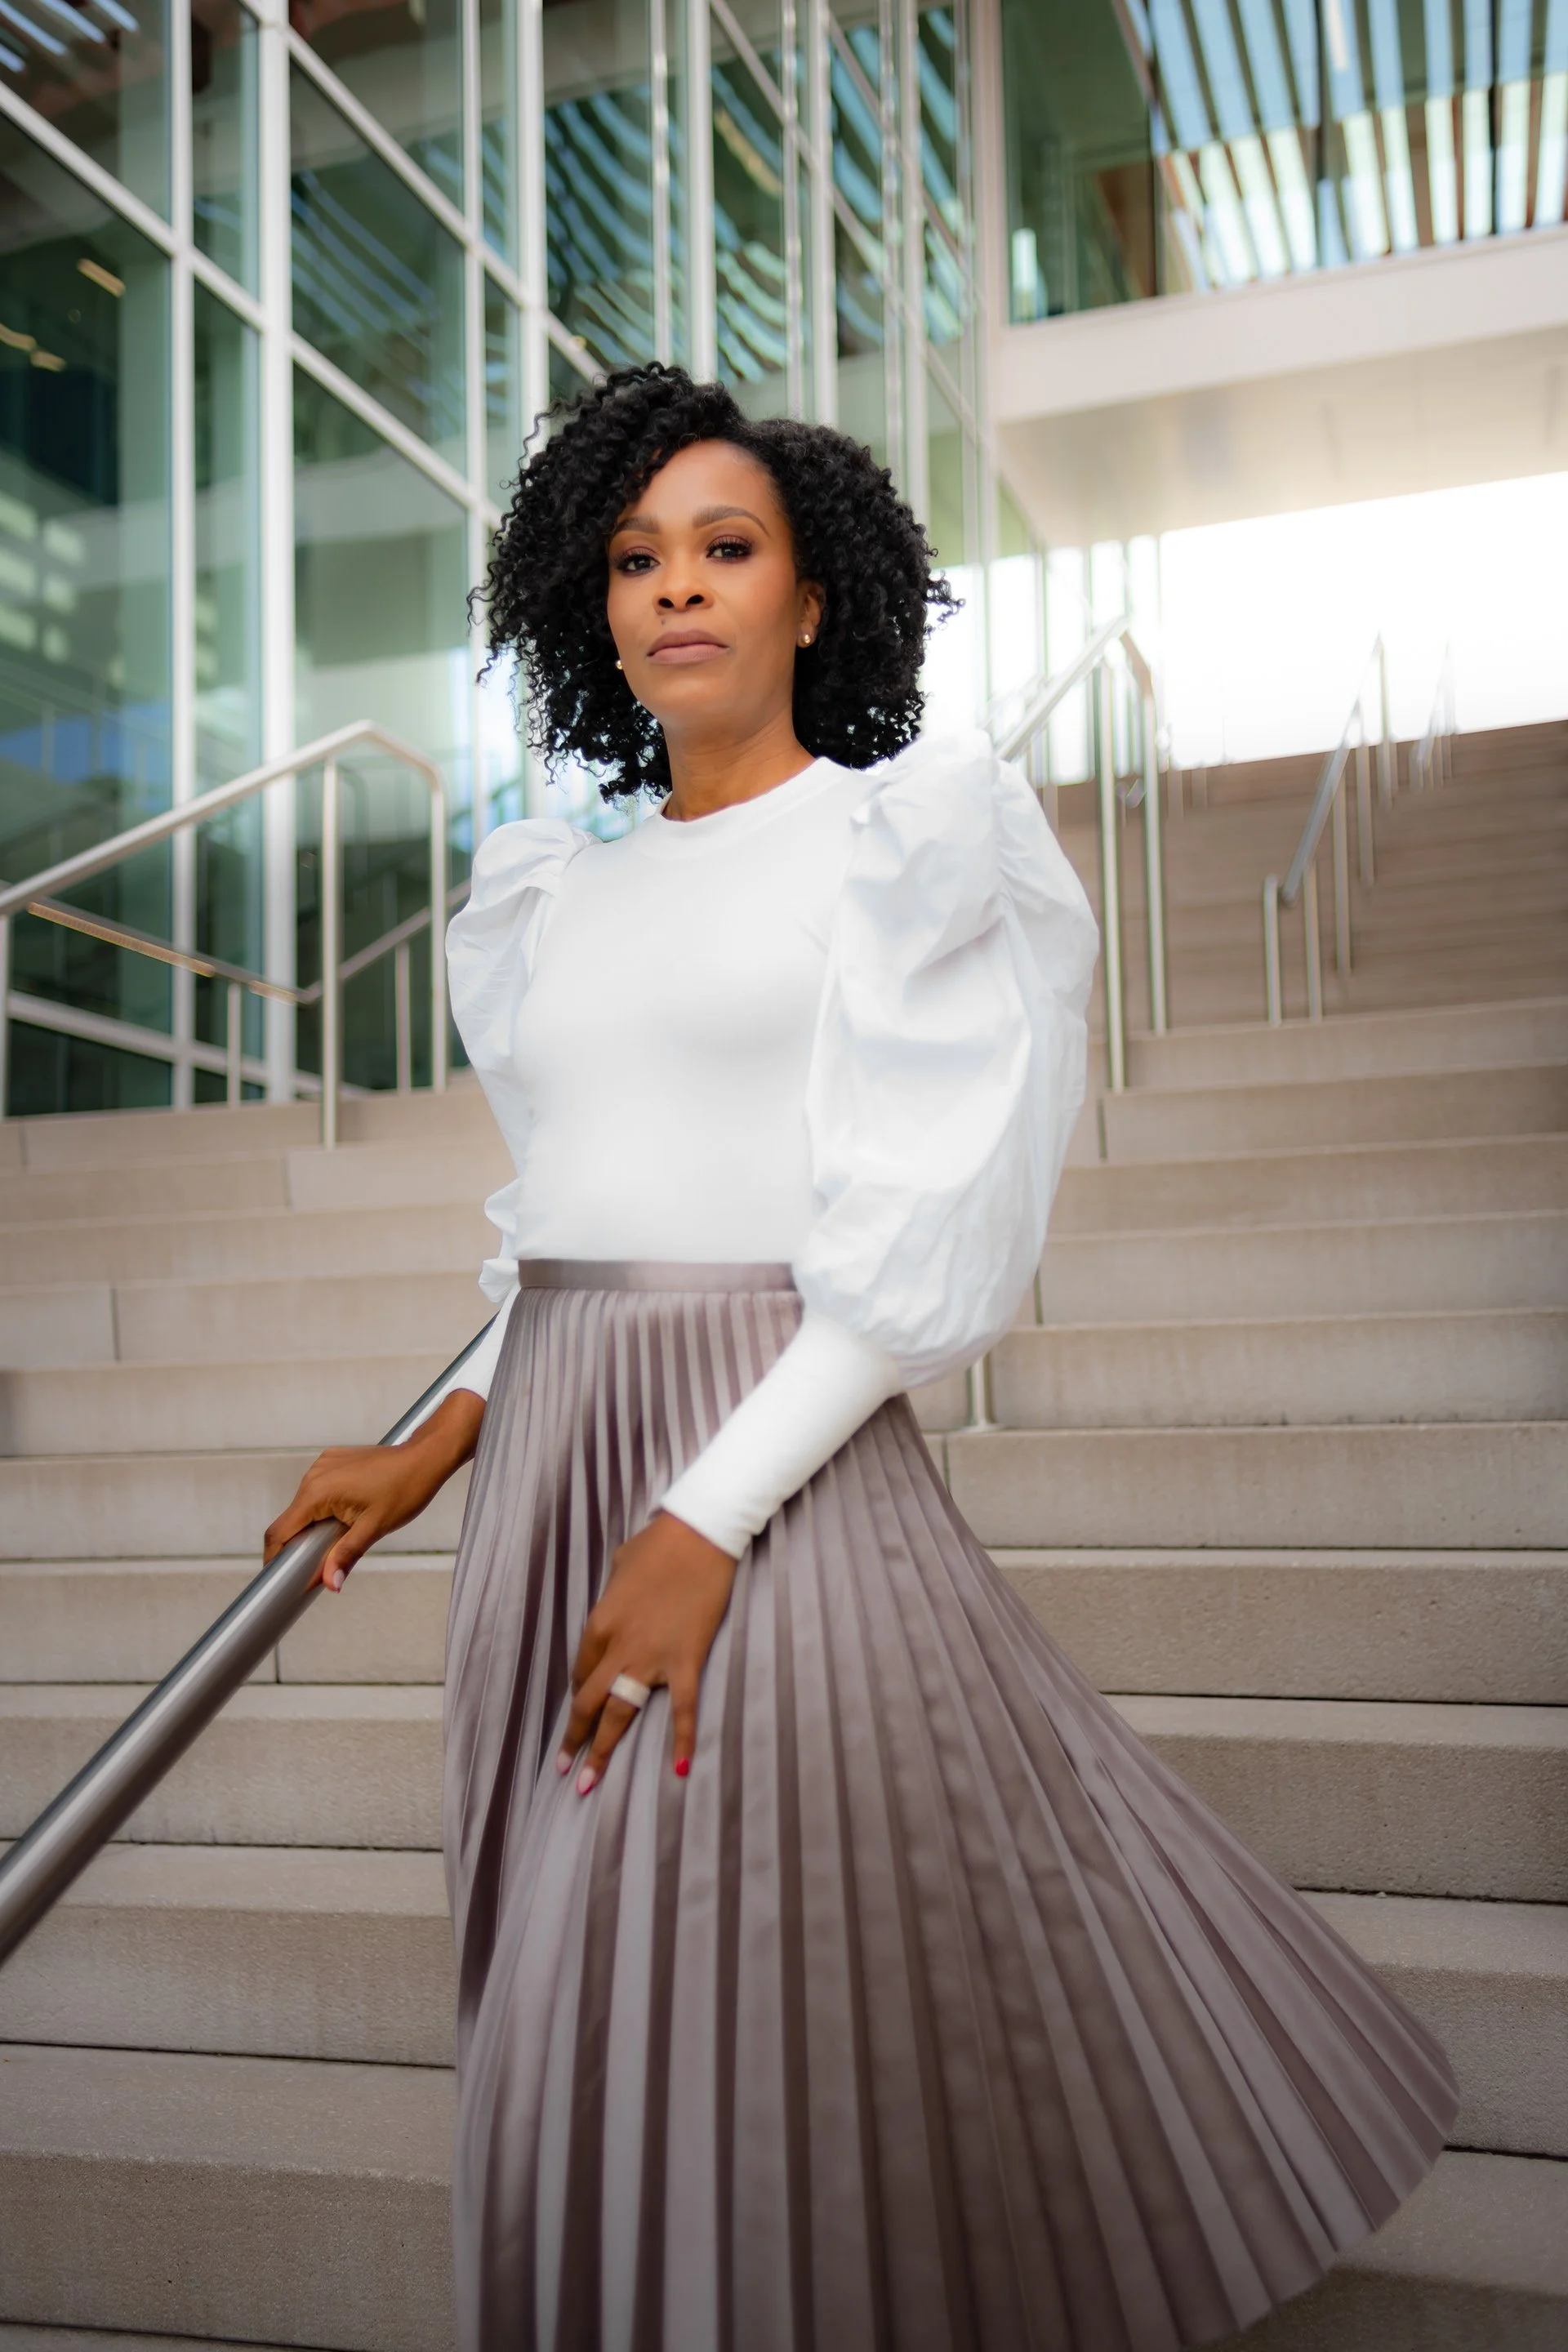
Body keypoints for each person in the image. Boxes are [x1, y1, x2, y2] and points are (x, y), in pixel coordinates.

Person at [265, 364, 1458, 2352]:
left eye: (728, 550)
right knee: (570, 1987)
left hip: (766, 1454)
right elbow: (562, 1211)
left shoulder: (912, 838)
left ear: (819, 598)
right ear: (592, 606)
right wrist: (447, 1438)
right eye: (635, 561)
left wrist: (708, 1512)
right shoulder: (554, 879)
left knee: (701, 1981)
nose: (678, 592)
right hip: (555, 1442)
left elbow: (926, 1239)